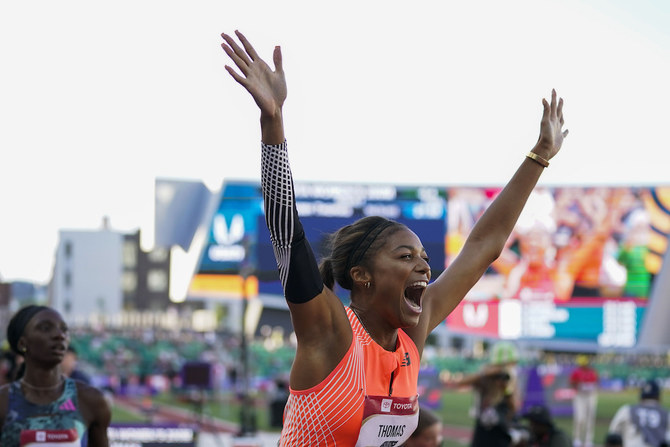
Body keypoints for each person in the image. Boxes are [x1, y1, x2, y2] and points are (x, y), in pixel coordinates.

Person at [220, 29, 568, 446]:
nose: (424, 265)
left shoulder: (411, 336)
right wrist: (272, 122)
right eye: (405, 257)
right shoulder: (331, 332)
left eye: (422, 256)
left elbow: (481, 249)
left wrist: (539, 157)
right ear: (362, 275)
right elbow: (286, 237)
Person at [0, 305, 111, 446]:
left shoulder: (91, 400)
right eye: (45, 328)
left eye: (64, 329)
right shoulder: (4, 402)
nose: (60, 335)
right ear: (23, 343)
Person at [608, 379, 670, 447]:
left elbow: (612, 435)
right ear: (658, 397)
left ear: (641, 397)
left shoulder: (627, 410)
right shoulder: (666, 414)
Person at [569, 354, 599, 447]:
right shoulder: (576, 372)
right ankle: (577, 439)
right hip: (580, 396)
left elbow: (596, 382)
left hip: (590, 396)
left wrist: (590, 387)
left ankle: (588, 440)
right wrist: (579, 385)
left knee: (590, 418)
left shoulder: (592, 372)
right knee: (579, 418)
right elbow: (571, 383)